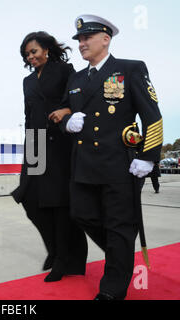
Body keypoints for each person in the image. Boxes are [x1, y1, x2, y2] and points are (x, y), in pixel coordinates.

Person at [53, 15, 163, 299]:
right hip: (84, 165)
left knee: (119, 226)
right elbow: (64, 110)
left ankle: (112, 288)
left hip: (120, 165)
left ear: (106, 38)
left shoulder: (130, 69)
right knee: (81, 214)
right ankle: (121, 252)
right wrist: (67, 122)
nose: (81, 43)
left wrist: (148, 157)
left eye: (87, 38)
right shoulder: (76, 79)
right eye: (79, 39)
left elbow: (153, 116)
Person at [11, 31, 88, 282]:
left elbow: (77, 99)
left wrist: (67, 109)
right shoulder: (27, 81)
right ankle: (53, 248)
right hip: (34, 141)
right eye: (27, 54)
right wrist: (28, 140)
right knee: (30, 199)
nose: (30, 57)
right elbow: (27, 113)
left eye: (33, 51)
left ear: (46, 49)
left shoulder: (65, 70)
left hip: (58, 140)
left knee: (58, 202)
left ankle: (63, 257)